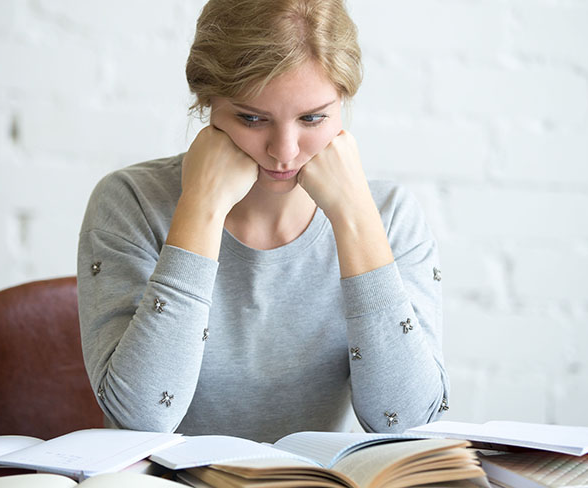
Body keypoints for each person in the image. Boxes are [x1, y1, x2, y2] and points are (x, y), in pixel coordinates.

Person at [76, 0, 449, 444]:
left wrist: (354, 219)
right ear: (207, 102)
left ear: (343, 102)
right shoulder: (131, 202)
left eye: (313, 118)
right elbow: (138, 420)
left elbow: (408, 424)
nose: (285, 151)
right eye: (252, 118)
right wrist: (201, 208)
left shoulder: (388, 214)